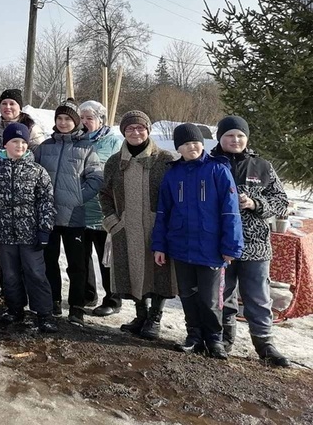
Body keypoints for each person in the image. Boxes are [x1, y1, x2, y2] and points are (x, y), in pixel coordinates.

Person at [152, 123, 244, 360]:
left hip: (210, 248)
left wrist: (231, 247)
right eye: (185, 144)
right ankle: (193, 335)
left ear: (203, 144)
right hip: (181, 246)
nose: (191, 147)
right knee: (187, 294)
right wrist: (160, 246)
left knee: (211, 298)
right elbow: (163, 212)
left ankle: (214, 339)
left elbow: (231, 212)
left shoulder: (218, 170)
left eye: (195, 142)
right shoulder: (173, 174)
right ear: (178, 148)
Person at [210, 116, 289, 366]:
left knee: (257, 297)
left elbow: (281, 202)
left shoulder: (262, 167)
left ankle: (265, 344)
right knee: (223, 295)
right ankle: (224, 339)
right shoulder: (209, 164)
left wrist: (255, 204)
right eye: (229, 135)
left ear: (247, 138)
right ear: (220, 138)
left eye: (240, 136)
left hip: (255, 245)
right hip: (219, 245)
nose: (235, 140)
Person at [99, 110, 177, 339]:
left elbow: (175, 194)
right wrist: (113, 221)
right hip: (126, 227)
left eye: (140, 128)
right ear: (123, 131)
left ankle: (155, 317)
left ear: (148, 130)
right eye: (130, 128)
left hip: (158, 227)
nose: (135, 132)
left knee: (159, 272)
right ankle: (140, 315)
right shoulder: (115, 162)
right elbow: (104, 194)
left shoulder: (165, 159)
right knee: (132, 271)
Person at [0, 123, 58, 333]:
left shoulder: (37, 171)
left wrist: (44, 229)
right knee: (10, 275)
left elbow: (46, 201)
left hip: (30, 234)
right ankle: (14, 309)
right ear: (6, 144)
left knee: (36, 273)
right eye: (15, 141)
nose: (20, 145)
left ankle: (44, 314)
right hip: (4, 234)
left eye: (23, 142)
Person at [33, 99, 102, 326]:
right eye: (60, 119)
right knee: (49, 260)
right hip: (48, 215)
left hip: (74, 216)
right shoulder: (45, 147)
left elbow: (96, 178)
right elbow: (34, 175)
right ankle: (53, 300)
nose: (63, 123)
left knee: (77, 264)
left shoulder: (86, 148)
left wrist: (78, 197)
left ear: (76, 122)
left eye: (68, 119)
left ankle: (76, 306)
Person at [78, 100, 123, 317]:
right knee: (81, 256)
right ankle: (87, 294)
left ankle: (113, 299)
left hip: (103, 208)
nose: (85, 122)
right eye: (82, 118)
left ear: (101, 119)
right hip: (79, 208)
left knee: (106, 257)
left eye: (90, 118)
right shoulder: (77, 140)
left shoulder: (113, 141)